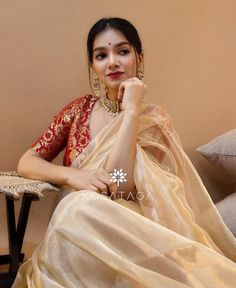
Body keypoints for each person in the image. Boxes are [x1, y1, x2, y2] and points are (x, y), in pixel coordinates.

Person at [13, 17, 236, 288]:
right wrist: (72, 176)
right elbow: (27, 160)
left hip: (125, 232)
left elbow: (120, 187)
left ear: (139, 58)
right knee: (76, 206)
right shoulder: (79, 111)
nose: (112, 62)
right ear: (92, 66)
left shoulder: (154, 119)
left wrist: (131, 111)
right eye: (101, 55)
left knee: (79, 206)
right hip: (76, 234)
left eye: (122, 51)